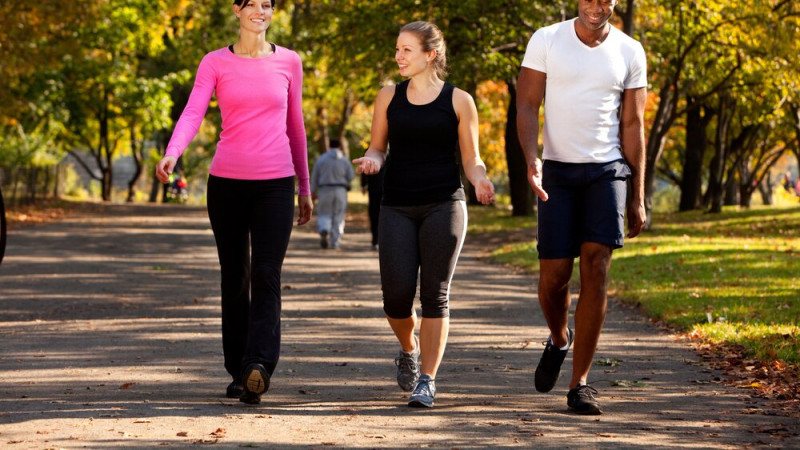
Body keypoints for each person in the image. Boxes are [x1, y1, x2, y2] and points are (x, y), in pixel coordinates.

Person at [155, 0, 312, 405]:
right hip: (225, 183)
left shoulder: (290, 62)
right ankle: (238, 369)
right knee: (235, 276)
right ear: (236, 10)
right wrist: (173, 152)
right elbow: (193, 112)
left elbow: (295, 125)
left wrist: (305, 187)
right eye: (252, 4)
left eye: (267, 4)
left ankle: (258, 365)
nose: (260, 10)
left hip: (276, 184)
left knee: (266, 273)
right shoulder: (214, 63)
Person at [353, 21, 495, 408]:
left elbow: (471, 157)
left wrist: (480, 180)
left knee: (435, 294)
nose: (398, 56)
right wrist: (371, 159)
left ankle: (427, 380)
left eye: (406, 50)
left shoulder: (460, 100)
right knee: (395, 298)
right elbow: (378, 147)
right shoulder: (388, 97)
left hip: (444, 203)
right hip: (396, 204)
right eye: (397, 49)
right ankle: (408, 346)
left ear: (430, 54)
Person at [516, 0, 647, 415]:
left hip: (607, 172)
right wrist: (531, 158)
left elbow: (633, 125)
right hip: (557, 171)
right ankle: (559, 338)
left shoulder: (630, 50)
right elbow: (526, 104)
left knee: (596, 267)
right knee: (554, 278)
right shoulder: (547, 40)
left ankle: (581, 384)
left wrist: (638, 194)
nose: (596, 6)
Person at [310, 138, 355, 249]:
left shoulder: (321, 159)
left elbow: (314, 177)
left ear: (329, 146)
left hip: (325, 189)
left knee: (324, 213)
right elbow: (351, 176)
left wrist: (313, 192)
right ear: (340, 146)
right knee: (338, 215)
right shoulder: (344, 160)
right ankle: (335, 241)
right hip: (340, 190)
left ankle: (324, 229)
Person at [361, 166, 385, 250]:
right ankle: (377, 240)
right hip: (382, 188)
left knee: (375, 214)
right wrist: (363, 184)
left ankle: (376, 240)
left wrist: (363, 184)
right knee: (378, 214)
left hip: (375, 187)